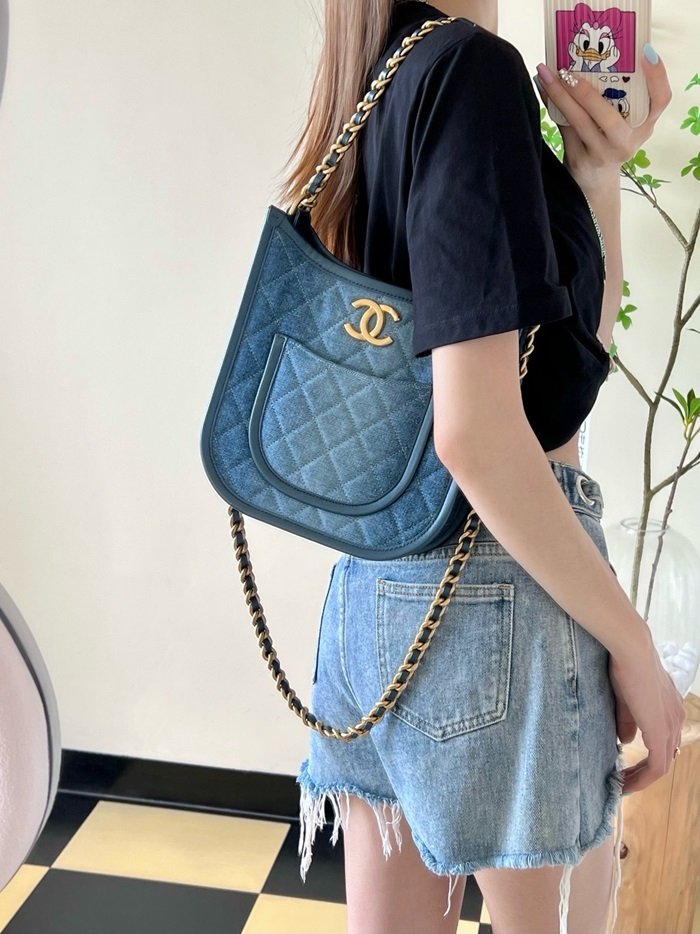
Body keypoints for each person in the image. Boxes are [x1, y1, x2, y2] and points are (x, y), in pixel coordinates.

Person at [273, 1, 684, 931]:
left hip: (378, 588)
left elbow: (562, 368)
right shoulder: (474, 72)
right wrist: (634, 644)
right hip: (504, 591)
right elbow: (480, 433)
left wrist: (594, 174)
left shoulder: (385, 69)